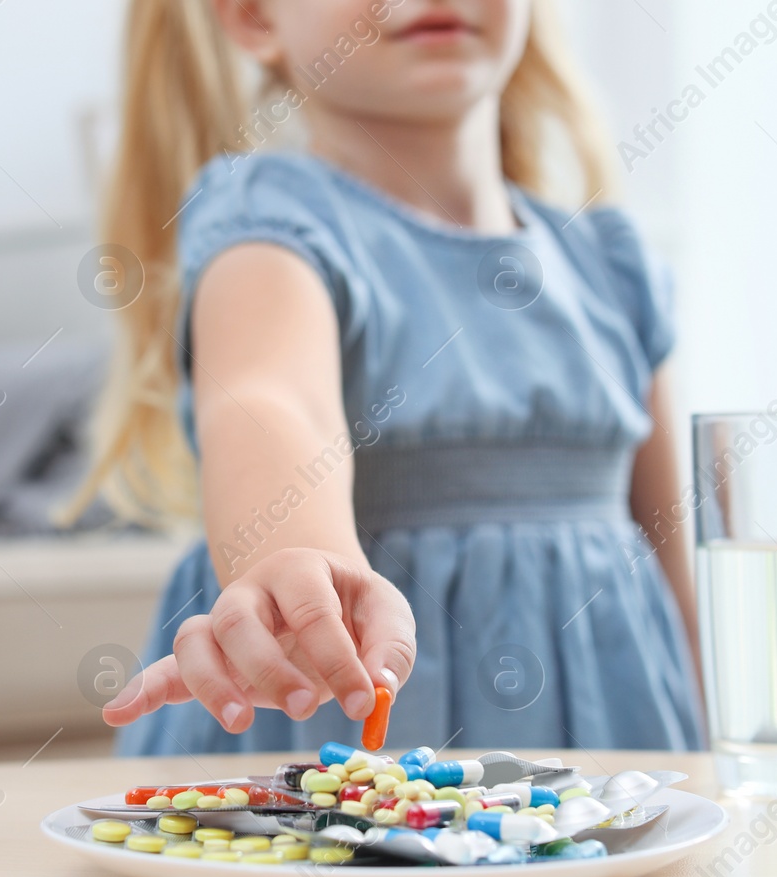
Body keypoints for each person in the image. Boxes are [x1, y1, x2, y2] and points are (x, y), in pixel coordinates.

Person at [69, 0, 704, 755]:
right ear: (251, 17)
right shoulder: (272, 224)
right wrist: (296, 564)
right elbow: (273, 399)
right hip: (331, 745)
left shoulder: (612, 268)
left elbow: (670, 548)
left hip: (606, 764)